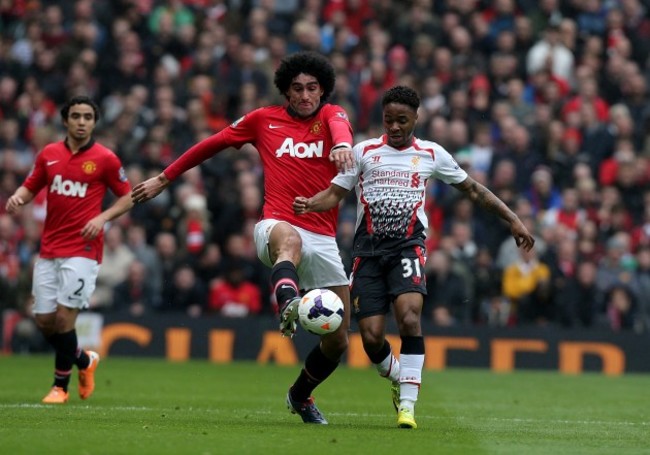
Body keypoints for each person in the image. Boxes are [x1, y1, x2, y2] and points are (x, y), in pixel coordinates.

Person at [131, 51, 354, 424]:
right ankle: (287, 299)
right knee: (290, 241)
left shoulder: (332, 115)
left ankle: (300, 395)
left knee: (338, 340)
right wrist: (163, 178)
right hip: (277, 224)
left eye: (312, 88)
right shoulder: (262, 120)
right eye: (296, 88)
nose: (304, 95)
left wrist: (343, 145)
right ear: (285, 91)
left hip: (324, 235)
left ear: (322, 90)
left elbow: (342, 131)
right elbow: (210, 144)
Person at [293, 85, 535, 429]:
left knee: (409, 318)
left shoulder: (432, 154)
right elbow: (335, 194)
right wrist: (308, 204)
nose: (394, 126)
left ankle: (407, 405)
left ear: (416, 119)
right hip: (368, 253)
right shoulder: (363, 152)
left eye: (402, 120)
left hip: (408, 248)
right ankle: (397, 375)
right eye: (389, 119)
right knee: (372, 337)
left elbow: (474, 190)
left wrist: (513, 219)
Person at [5, 95, 133, 403]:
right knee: (44, 320)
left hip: (84, 249)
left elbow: (128, 196)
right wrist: (18, 197)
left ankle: (59, 387)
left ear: (94, 122)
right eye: (76, 116)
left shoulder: (105, 159)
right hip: (49, 248)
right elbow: (32, 184)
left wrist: (102, 218)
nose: (81, 122)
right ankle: (84, 361)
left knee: (64, 319)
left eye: (88, 117)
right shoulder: (48, 154)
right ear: (65, 120)